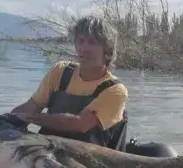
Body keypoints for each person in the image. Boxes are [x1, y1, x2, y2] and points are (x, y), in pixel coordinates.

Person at [10, 15, 129, 151]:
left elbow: (79, 124)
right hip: (48, 152)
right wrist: (8, 120)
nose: (84, 48)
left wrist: (31, 118)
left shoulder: (115, 90)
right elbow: (32, 105)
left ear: (107, 51)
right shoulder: (61, 71)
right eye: (81, 41)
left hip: (88, 161)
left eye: (92, 42)